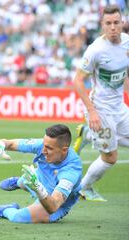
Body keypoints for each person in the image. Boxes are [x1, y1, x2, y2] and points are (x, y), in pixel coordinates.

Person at [72, 4, 129, 201]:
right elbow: (77, 81)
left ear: (122, 22)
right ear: (102, 25)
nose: (113, 27)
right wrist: (92, 111)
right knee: (110, 158)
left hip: (120, 108)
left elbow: (125, 74)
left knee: (113, 144)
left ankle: (89, 134)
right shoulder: (95, 50)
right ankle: (84, 188)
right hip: (101, 110)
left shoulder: (127, 44)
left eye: (116, 22)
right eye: (108, 23)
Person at [0, 124, 82, 223]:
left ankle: (4, 210)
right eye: (44, 145)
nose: (43, 151)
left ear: (64, 150)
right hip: (40, 178)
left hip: (56, 202)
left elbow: (53, 206)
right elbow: (11, 143)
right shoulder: (43, 145)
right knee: (28, 179)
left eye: (49, 148)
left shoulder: (71, 170)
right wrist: (1, 144)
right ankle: (20, 182)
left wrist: (39, 189)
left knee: (18, 218)